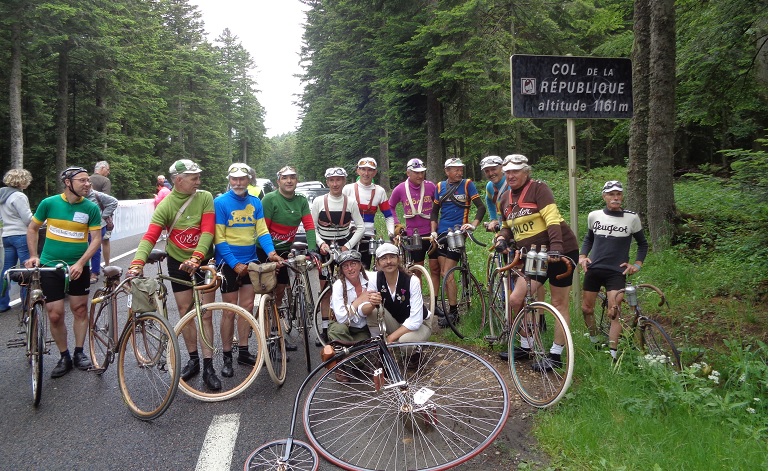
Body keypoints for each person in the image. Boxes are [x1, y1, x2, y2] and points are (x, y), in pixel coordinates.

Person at [126, 159, 222, 390]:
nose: (198, 181)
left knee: (205, 314)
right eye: (194, 178)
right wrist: (137, 263)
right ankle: (194, 360)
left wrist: (197, 257)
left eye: (198, 176)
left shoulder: (205, 197)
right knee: (185, 311)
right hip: (178, 262)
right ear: (179, 180)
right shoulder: (166, 205)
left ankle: (209, 365)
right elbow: (150, 236)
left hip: (204, 260)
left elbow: (208, 231)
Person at [493, 154, 579, 369]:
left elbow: (551, 218)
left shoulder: (538, 189)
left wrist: (557, 247)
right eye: (508, 172)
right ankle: (526, 344)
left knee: (559, 303)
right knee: (516, 299)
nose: (511, 175)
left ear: (526, 172)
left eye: (516, 171)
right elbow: (507, 226)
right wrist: (503, 238)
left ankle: (556, 354)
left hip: (562, 250)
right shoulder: (504, 198)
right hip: (534, 255)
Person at [25, 166, 101, 377]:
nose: (87, 184)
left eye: (89, 181)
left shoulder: (91, 208)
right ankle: (64, 355)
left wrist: (81, 263)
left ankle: (79, 352)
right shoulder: (48, 203)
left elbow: (96, 240)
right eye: (82, 181)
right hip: (51, 265)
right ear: (68, 183)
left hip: (78, 267)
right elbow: (32, 228)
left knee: (80, 310)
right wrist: (34, 255)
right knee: (55, 314)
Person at [214, 163, 283, 374]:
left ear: (249, 180)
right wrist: (234, 264)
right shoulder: (221, 202)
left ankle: (243, 351)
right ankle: (227, 356)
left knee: (247, 308)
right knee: (229, 311)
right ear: (229, 180)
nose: (237, 183)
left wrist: (271, 253)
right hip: (228, 263)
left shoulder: (255, 202)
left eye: (242, 179)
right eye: (234, 179)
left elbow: (262, 231)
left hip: (251, 261)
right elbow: (219, 237)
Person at [579, 180, 649, 360]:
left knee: (614, 311)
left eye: (618, 194)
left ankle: (612, 355)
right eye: (611, 194)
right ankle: (594, 340)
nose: (615, 197)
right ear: (604, 196)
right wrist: (582, 256)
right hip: (594, 269)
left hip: (616, 271)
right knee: (587, 309)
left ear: (622, 196)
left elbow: (643, 244)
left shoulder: (631, 218)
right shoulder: (594, 215)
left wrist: (637, 265)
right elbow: (589, 239)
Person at [259, 165, 318, 351]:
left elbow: (309, 225)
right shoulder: (269, 199)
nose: (289, 181)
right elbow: (263, 230)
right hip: (265, 249)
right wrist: (271, 254)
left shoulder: (300, 201)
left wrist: (312, 249)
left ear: (296, 180)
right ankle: (268, 334)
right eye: (285, 178)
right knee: (268, 291)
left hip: (284, 250)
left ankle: (277, 332)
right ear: (278, 181)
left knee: (281, 290)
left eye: (292, 177)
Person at [429, 157, 486, 326]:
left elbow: (481, 207)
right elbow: (434, 212)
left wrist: (472, 226)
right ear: (447, 171)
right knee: (442, 273)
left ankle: (453, 312)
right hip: (441, 234)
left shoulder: (467, 184)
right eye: (455, 169)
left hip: (458, 234)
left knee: (448, 274)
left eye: (461, 169)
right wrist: (433, 230)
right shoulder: (440, 186)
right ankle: (449, 310)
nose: (459, 172)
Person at [312, 167, 365, 344]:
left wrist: (348, 245)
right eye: (332, 180)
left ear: (344, 181)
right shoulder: (319, 201)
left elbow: (361, 226)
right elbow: (312, 228)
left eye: (339, 180)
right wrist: (321, 244)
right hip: (324, 250)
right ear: (327, 182)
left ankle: (350, 323)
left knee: (348, 285)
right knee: (325, 289)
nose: (335, 184)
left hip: (343, 248)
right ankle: (325, 328)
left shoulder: (350, 202)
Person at [388, 158, 440, 295]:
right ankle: (419, 302)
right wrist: (397, 224)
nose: (420, 176)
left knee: (435, 268)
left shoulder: (430, 186)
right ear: (408, 173)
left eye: (422, 172)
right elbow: (390, 206)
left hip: (431, 233)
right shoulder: (400, 189)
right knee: (417, 270)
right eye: (416, 173)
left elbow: (439, 205)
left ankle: (435, 302)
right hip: (413, 234)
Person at [373, 243, 432, 344]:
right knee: (372, 309)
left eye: (392, 257)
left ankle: (415, 354)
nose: (388, 262)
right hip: (396, 322)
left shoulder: (412, 281)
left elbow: (415, 321)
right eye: (383, 258)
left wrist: (390, 338)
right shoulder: (374, 279)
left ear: (399, 259)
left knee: (405, 342)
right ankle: (377, 346)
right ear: (377, 263)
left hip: (419, 324)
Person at [342, 157, 395, 269]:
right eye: (363, 169)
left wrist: (391, 234)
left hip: (368, 236)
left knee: (364, 269)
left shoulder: (380, 191)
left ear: (375, 172)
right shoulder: (348, 189)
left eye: (370, 170)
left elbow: (388, 216)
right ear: (358, 170)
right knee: (348, 269)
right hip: (349, 235)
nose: (366, 173)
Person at [0, 169, 34, 313]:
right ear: (22, 181)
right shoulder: (18, 196)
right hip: (21, 234)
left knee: (7, 269)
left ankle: (2, 303)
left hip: (7, 234)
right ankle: (27, 302)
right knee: (26, 269)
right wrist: (39, 221)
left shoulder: (2, 194)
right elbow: (27, 218)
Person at [86, 187, 118, 284]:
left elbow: (114, 202)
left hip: (98, 226)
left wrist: (102, 216)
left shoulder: (96, 195)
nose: (86, 186)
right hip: (82, 227)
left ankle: (94, 273)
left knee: (95, 248)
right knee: (81, 248)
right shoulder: (75, 197)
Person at [90, 161, 113, 271]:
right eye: (107, 170)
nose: (108, 172)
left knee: (90, 241)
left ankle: (91, 266)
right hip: (101, 216)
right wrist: (104, 216)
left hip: (87, 214)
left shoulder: (86, 179)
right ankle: (107, 265)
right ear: (102, 168)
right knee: (105, 240)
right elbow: (107, 199)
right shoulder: (105, 181)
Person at [480, 155, 506, 232]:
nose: (491, 173)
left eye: (494, 169)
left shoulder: (511, 182)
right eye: (487, 171)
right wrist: (493, 219)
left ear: (502, 167)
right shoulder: (490, 186)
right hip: (503, 226)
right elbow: (489, 201)